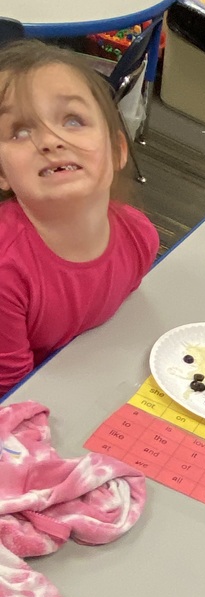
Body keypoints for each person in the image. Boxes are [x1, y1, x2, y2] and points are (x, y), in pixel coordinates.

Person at [0, 40, 159, 398]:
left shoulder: (139, 236)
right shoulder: (6, 273)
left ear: (118, 151)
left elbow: (118, 330)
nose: (50, 141)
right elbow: (13, 396)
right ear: (3, 173)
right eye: (21, 130)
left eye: (72, 120)